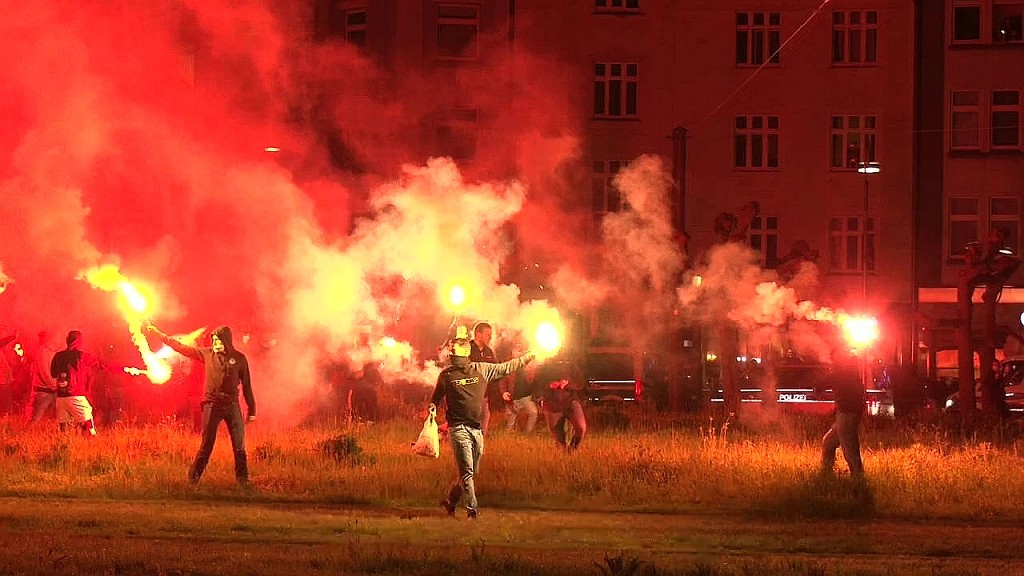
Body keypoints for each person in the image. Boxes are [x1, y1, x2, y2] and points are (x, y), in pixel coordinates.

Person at [431, 325, 535, 518]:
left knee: (470, 472)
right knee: (468, 472)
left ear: (466, 356)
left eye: (458, 357)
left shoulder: (482, 369)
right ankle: (472, 512)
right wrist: (432, 411)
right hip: (458, 429)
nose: (456, 361)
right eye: (454, 358)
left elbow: (506, 368)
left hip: (476, 429)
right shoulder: (446, 376)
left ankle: (450, 503)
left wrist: (528, 357)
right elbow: (436, 398)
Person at [146, 322, 256, 486]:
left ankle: (243, 481)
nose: (215, 344)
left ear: (226, 341)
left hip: (232, 406)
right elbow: (182, 348)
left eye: (219, 341)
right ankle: (193, 479)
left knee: (239, 446)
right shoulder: (207, 354)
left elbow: (247, 385)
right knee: (207, 445)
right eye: (214, 340)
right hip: (212, 405)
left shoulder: (239, 359)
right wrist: (159, 334)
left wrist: (251, 409)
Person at [50, 330, 136, 436]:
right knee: (88, 428)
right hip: (76, 396)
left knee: (64, 430)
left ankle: (63, 450)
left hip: (60, 398)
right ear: (78, 341)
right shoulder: (81, 356)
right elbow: (101, 365)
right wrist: (123, 369)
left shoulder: (58, 356)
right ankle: (90, 447)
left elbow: (53, 374)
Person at [822, 347, 866, 477]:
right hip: (846, 414)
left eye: (833, 357)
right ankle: (826, 474)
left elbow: (825, 381)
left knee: (850, 452)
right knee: (828, 442)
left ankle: (858, 480)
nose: (831, 359)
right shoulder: (849, 370)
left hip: (847, 415)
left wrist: (815, 386)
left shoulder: (841, 370)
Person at [539, 361, 587, 452]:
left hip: (571, 402)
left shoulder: (573, 365)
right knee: (559, 437)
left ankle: (572, 450)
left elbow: (580, 384)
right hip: (552, 404)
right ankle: (563, 454)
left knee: (581, 428)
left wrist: (567, 384)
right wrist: (550, 385)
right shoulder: (545, 364)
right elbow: (539, 383)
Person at [468, 322, 499, 434]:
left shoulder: (489, 352)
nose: (490, 337)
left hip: (484, 397)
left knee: (483, 427)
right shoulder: (466, 349)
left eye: (491, 334)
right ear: (478, 334)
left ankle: (478, 450)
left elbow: (495, 371)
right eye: (487, 334)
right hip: (468, 397)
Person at [503, 347, 541, 433]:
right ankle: (506, 437)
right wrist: (504, 392)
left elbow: (534, 378)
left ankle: (527, 434)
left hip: (526, 397)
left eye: (520, 350)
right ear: (512, 352)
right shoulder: (508, 364)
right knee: (510, 421)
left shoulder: (527, 363)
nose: (518, 352)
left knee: (533, 413)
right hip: (513, 398)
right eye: (517, 350)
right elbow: (502, 380)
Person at [26, 331, 58, 425]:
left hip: (50, 390)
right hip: (43, 392)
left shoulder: (52, 352)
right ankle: (25, 436)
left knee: (55, 418)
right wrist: (55, 386)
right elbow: (45, 372)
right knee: (35, 419)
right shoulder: (44, 352)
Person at [0, 329, 17, 416]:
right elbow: (2, 342)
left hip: (5, 381)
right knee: (4, 408)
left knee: (5, 407)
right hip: (2, 382)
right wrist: (12, 336)